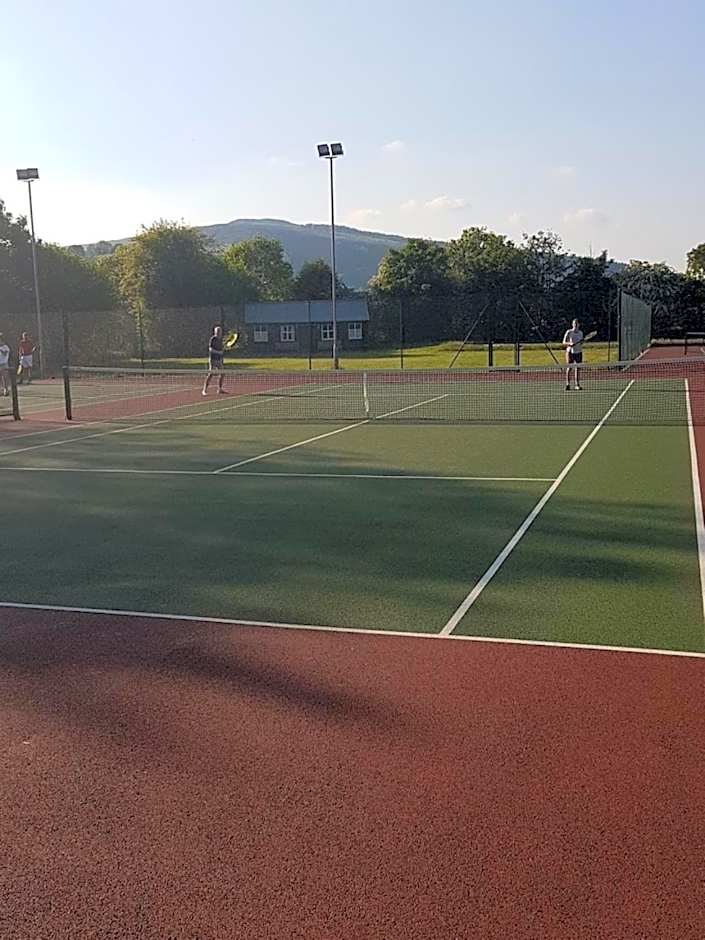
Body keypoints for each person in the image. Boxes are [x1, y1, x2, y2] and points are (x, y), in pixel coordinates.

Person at [202, 325, 227, 396]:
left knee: (222, 373)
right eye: (218, 331)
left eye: (220, 331)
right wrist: (218, 352)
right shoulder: (213, 339)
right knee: (211, 374)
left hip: (219, 360)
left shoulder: (221, 340)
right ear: (215, 332)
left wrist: (221, 358)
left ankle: (219, 389)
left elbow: (221, 350)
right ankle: (204, 390)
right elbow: (210, 349)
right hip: (212, 359)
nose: (219, 332)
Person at [562, 318, 584, 391]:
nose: (575, 325)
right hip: (570, 352)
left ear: (579, 325)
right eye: (574, 323)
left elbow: (581, 343)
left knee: (577, 368)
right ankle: (567, 384)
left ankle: (577, 385)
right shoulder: (569, 332)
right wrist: (569, 343)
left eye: (577, 323)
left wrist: (582, 342)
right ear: (572, 324)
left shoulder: (581, 333)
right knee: (569, 368)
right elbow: (563, 342)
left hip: (579, 352)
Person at [0, 333, 10, 397]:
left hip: (4, 364)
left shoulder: (6, 347)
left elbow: (5, 353)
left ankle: (6, 390)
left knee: (4, 378)